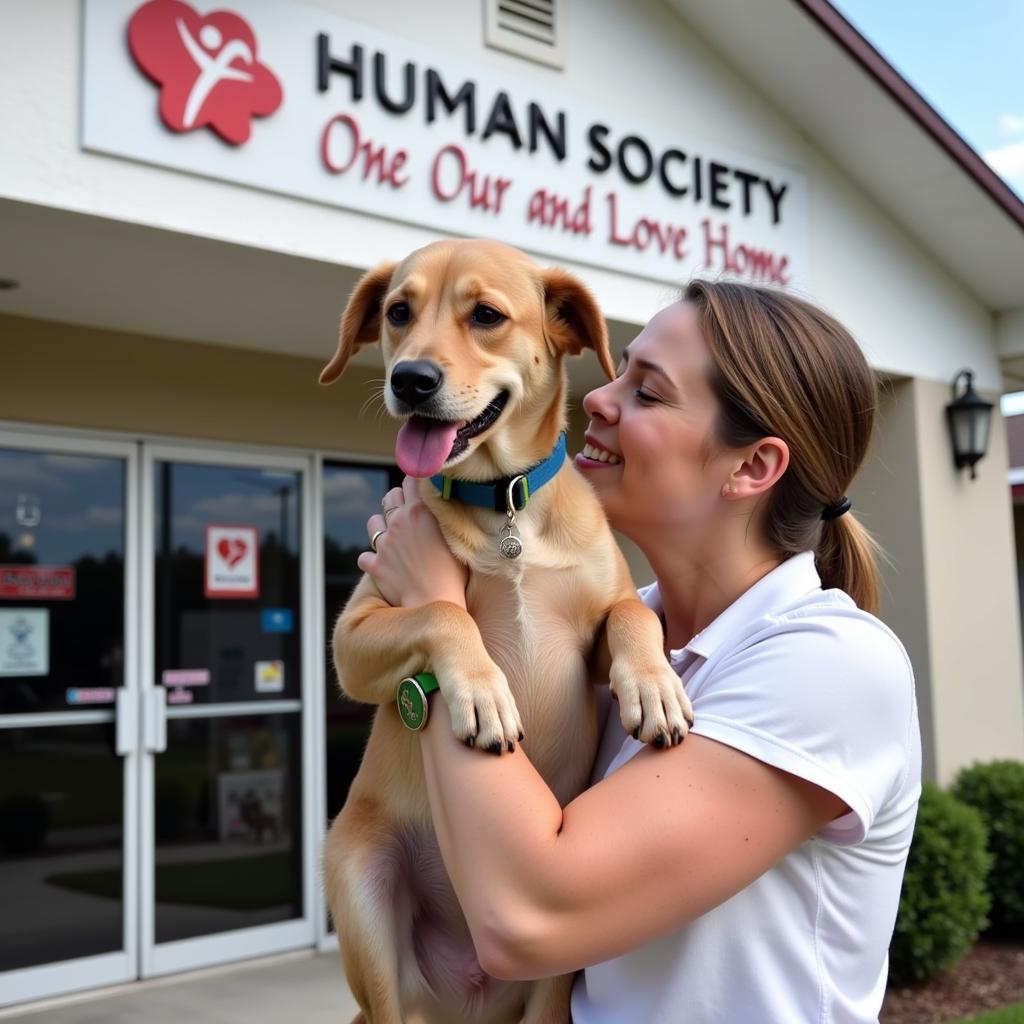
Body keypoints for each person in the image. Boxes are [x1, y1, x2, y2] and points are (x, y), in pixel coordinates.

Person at [356, 279, 922, 1023]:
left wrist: (435, 610)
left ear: (751, 467)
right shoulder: (623, 639)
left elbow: (527, 919)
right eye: (619, 369)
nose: (597, 397)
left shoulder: (832, 665)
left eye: (648, 392)